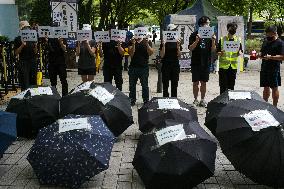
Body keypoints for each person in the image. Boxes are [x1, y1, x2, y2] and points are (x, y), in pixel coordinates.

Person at [188, 16, 216, 107]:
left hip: (206, 62)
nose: (208, 25)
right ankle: (195, 99)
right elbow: (190, 48)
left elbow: (213, 50)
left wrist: (213, 41)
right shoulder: (194, 34)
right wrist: (196, 40)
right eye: (207, 23)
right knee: (195, 82)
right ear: (201, 24)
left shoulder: (211, 35)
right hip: (196, 62)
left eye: (209, 24)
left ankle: (203, 100)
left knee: (204, 82)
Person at [128, 25, 154, 106]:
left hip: (144, 67)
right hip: (133, 67)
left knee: (145, 85)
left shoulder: (147, 41)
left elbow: (150, 53)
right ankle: (132, 99)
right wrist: (133, 44)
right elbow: (131, 54)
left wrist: (146, 44)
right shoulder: (131, 41)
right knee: (132, 85)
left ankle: (146, 100)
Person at [259, 25, 284, 106]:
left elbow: (282, 57)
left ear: (275, 33)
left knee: (274, 88)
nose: (268, 36)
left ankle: (274, 107)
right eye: (267, 34)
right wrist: (259, 54)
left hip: (274, 69)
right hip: (264, 67)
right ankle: (265, 106)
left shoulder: (280, 43)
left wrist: (271, 57)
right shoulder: (265, 41)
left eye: (270, 35)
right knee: (265, 87)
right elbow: (262, 52)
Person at [217, 22, 243, 94]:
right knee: (223, 86)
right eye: (232, 28)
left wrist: (239, 53)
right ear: (228, 29)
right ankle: (222, 103)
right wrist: (221, 52)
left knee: (231, 86)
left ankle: (229, 103)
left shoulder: (238, 40)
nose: (233, 30)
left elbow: (240, 51)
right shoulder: (222, 39)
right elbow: (217, 52)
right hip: (223, 67)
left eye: (235, 28)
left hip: (233, 67)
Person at [14, 21, 38, 91]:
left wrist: (36, 45)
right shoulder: (18, 39)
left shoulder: (33, 37)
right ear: (21, 29)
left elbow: (36, 52)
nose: (26, 29)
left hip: (33, 61)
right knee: (25, 82)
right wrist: (22, 45)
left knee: (33, 81)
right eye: (25, 28)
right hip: (23, 62)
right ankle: (25, 99)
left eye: (28, 27)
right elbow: (16, 53)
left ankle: (33, 98)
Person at [160, 24, 182, 97]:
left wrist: (178, 46)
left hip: (175, 65)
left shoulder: (177, 41)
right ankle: (165, 99)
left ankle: (174, 99)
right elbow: (162, 55)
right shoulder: (164, 41)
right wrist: (163, 45)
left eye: (174, 30)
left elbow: (179, 55)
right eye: (172, 30)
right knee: (165, 85)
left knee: (174, 84)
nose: (173, 31)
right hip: (166, 64)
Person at [45, 32, 68, 96]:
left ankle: (65, 96)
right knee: (53, 82)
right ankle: (55, 96)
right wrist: (47, 41)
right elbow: (47, 49)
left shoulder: (62, 36)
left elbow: (65, 49)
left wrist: (61, 42)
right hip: (52, 62)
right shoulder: (49, 37)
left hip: (61, 62)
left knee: (63, 80)